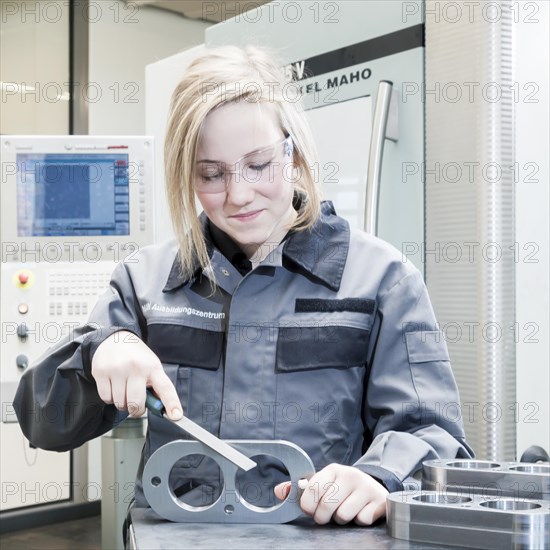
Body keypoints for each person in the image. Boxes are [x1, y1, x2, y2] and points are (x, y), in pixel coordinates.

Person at [14, 44, 473, 528]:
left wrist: (380, 478)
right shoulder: (144, 282)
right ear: (185, 175)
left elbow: (436, 440)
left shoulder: (383, 279)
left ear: (293, 154)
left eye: (258, 165)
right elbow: (41, 419)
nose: (238, 194)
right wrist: (96, 354)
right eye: (211, 174)